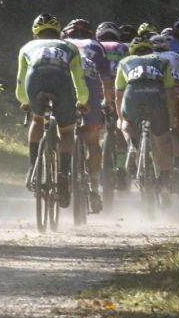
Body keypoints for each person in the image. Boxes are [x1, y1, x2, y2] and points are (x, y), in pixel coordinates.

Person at [16, 14, 90, 208]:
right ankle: (63, 175)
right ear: (58, 33)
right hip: (61, 84)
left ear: (35, 33)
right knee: (67, 131)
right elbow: (78, 80)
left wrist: (24, 101)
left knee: (37, 121)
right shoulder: (69, 47)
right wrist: (82, 101)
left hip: (35, 82)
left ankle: (33, 168)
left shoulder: (26, 47)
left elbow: (20, 81)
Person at [61, 18, 113, 212]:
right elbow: (106, 80)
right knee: (93, 141)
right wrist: (107, 102)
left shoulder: (61, 45)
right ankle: (93, 189)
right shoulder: (96, 46)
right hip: (90, 92)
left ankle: (62, 177)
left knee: (63, 134)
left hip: (65, 90)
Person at [115, 37, 178, 190]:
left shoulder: (125, 62)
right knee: (162, 139)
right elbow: (170, 92)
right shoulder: (162, 61)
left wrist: (121, 118)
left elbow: (118, 94)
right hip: (155, 97)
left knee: (127, 124)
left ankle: (133, 147)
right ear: (151, 50)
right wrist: (170, 116)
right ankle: (164, 176)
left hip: (133, 96)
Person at [149, 33, 179, 190]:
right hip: (175, 95)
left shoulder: (146, 57)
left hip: (153, 97)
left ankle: (154, 163)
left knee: (156, 134)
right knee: (178, 132)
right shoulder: (176, 56)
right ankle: (178, 165)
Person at [96, 21, 130, 188]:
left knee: (90, 130)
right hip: (118, 89)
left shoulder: (94, 46)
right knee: (120, 127)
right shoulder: (123, 47)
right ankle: (122, 168)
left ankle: (89, 163)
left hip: (96, 89)